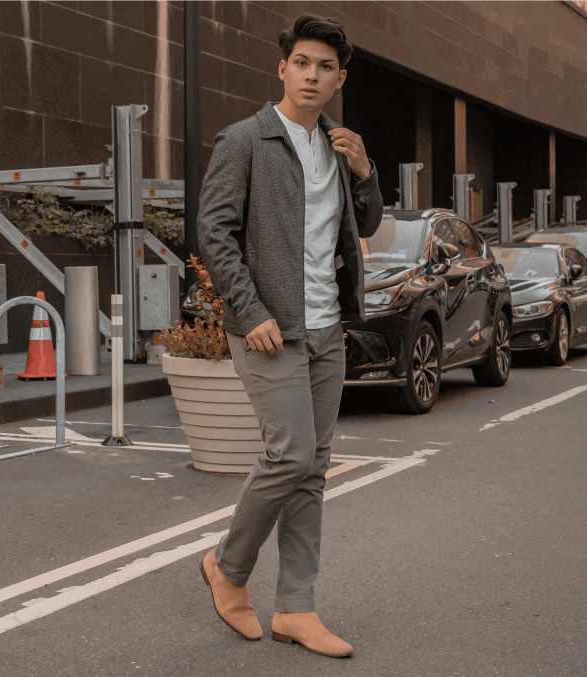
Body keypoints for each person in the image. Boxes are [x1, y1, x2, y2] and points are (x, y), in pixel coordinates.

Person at [197, 14, 383, 658]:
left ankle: (296, 608)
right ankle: (228, 566)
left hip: (326, 326)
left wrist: (365, 172)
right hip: (269, 330)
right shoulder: (246, 139)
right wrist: (249, 311)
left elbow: (368, 222)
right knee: (291, 456)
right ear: (283, 69)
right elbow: (215, 231)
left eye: (324, 67)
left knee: (313, 472)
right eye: (301, 62)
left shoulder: (339, 144)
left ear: (338, 79)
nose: (312, 75)